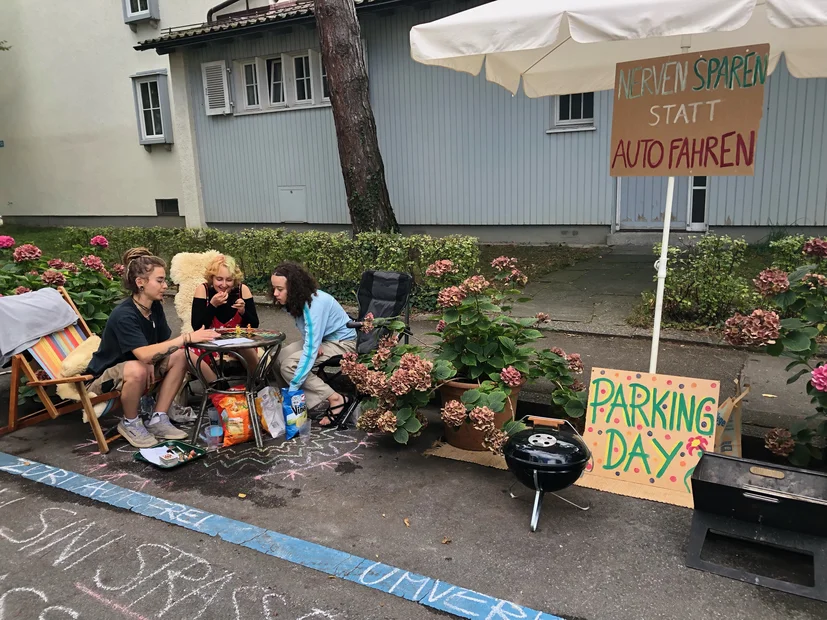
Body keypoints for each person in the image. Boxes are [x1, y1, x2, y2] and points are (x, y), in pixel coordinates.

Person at [86, 248, 220, 448]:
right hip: (104, 379)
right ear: (140, 283)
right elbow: (143, 354)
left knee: (182, 355)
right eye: (159, 280)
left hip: (137, 367)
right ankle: (131, 422)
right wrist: (187, 337)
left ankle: (159, 417)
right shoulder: (125, 315)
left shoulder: (154, 307)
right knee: (138, 367)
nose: (165, 285)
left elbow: (159, 346)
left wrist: (151, 358)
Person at [270, 262, 356, 426]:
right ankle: (293, 404)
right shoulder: (297, 301)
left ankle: (336, 399)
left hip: (343, 342)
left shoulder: (314, 304)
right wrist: (316, 342)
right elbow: (306, 329)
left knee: (289, 366)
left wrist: (295, 385)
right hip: (324, 339)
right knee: (278, 359)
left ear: (294, 288)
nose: (275, 293)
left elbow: (310, 349)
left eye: (280, 289)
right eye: (274, 288)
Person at [189, 254, 259, 381]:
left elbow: (254, 325)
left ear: (235, 279)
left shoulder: (242, 290)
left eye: (229, 280)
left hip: (238, 344)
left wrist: (243, 311)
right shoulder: (203, 290)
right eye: (219, 279)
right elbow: (197, 327)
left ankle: (256, 384)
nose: (224, 284)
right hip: (209, 343)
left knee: (245, 344)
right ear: (212, 278)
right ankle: (218, 388)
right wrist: (212, 305)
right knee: (186, 352)